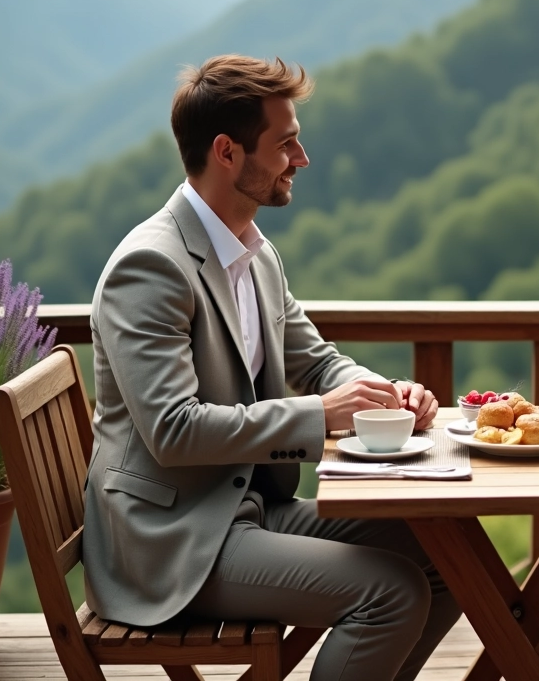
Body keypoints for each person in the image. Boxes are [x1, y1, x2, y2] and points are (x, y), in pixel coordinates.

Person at [82, 54, 461, 681]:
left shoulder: (256, 255)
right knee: (389, 593)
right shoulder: (151, 268)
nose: (302, 158)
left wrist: (380, 394)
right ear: (228, 152)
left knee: (448, 553)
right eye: (285, 143)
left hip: (248, 509)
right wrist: (323, 416)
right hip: (172, 540)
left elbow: (316, 362)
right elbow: (173, 431)